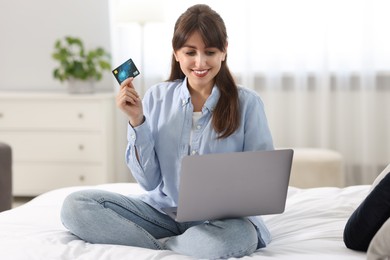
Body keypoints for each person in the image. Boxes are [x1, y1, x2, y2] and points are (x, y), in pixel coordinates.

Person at [60, 4, 274, 259]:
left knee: (242, 235)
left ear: (224, 51)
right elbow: (148, 182)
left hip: (221, 222)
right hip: (162, 214)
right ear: (176, 53)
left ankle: (164, 249)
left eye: (210, 52)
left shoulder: (247, 103)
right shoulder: (156, 97)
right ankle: (178, 248)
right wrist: (137, 120)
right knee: (76, 206)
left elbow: (260, 183)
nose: (200, 62)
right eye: (190, 52)